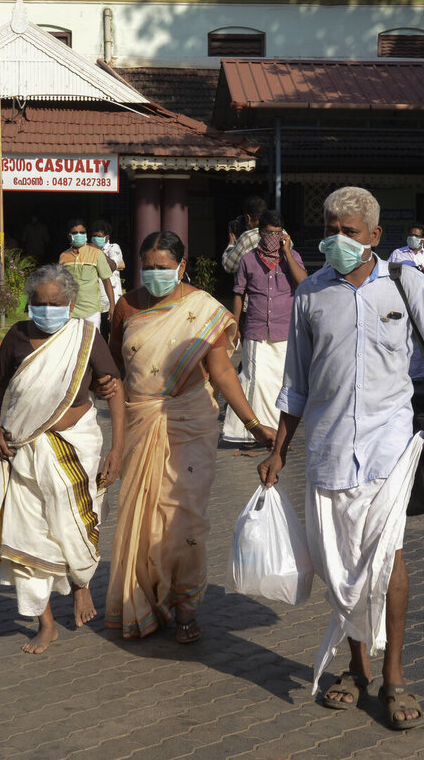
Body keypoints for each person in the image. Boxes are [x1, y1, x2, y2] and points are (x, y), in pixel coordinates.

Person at [258, 187, 424, 730]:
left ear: (375, 236)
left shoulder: (406, 284)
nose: (338, 240)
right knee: (341, 567)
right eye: (331, 229)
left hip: (389, 447)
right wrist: (279, 452)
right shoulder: (311, 296)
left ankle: (394, 675)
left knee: (385, 558)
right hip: (326, 451)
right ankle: (357, 669)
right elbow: (295, 386)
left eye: (349, 232)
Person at [105, 230, 276, 644]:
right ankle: (143, 603)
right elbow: (113, 369)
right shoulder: (126, 306)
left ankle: (184, 607)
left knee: (184, 519)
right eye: (148, 267)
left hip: (190, 421)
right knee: (142, 519)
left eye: (164, 268)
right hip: (141, 421)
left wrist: (253, 424)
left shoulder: (202, 308)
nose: (155, 274)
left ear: (181, 266)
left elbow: (221, 372)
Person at [0, 265, 126, 654]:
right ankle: (45, 623)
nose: (46, 309)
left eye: (55, 303)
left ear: (72, 304)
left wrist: (117, 448)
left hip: (77, 444)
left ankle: (81, 584)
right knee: (24, 532)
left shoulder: (85, 336)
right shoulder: (18, 336)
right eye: (38, 303)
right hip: (22, 447)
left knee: (74, 517)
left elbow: (114, 391)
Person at [222, 210, 308, 445]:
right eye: (269, 233)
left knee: (279, 382)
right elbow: (239, 293)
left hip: (284, 331)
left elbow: (303, 282)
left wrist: (287, 252)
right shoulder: (249, 259)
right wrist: (235, 324)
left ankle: (277, 434)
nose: (273, 237)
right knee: (256, 379)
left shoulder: (292, 257)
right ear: (260, 233)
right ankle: (251, 431)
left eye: (278, 233)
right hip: (256, 328)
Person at [59, 218, 115, 330]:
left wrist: (112, 306)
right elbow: (61, 284)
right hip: (70, 311)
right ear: (69, 236)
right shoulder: (63, 257)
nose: (79, 235)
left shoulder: (97, 253)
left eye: (82, 232)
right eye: (75, 233)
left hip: (91, 311)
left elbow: (106, 281)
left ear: (86, 235)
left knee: (91, 343)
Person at [90, 219, 125, 336]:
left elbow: (113, 266)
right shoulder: (89, 250)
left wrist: (99, 252)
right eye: (94, 236)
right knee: (100, 336)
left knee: (115, 334)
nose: (96, 238)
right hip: (96, 302)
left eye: (99, 236)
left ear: (107, 237)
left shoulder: (113, 248)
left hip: (112, 300)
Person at [221, 196, 269, 273]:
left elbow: (229, 266)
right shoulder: (282, 232)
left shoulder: (246, 238)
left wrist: (232, 243)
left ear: (248, 217)